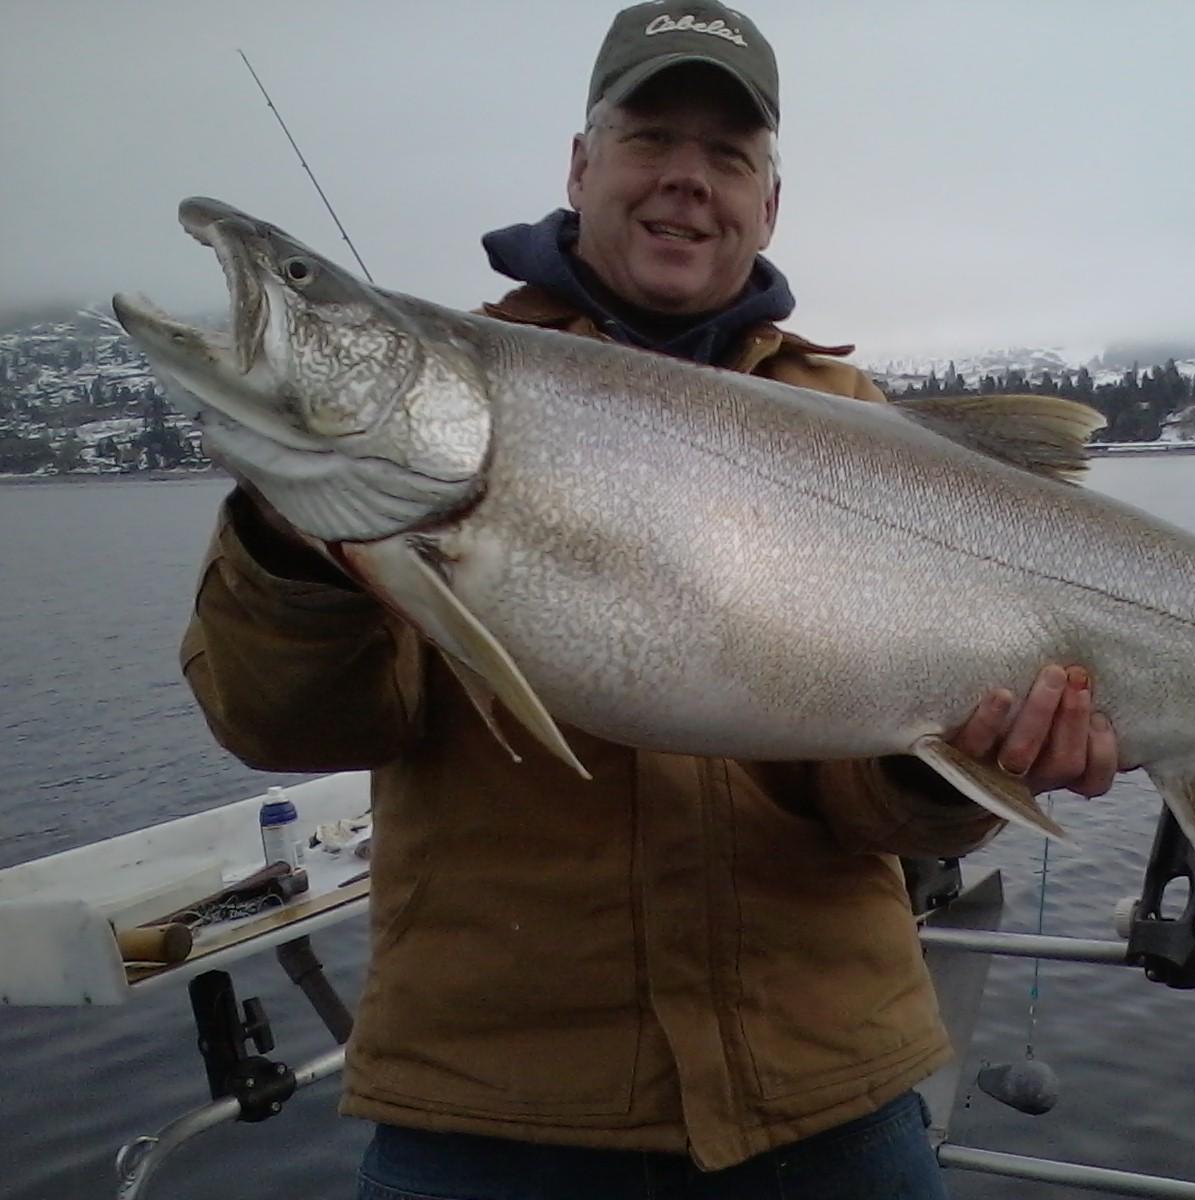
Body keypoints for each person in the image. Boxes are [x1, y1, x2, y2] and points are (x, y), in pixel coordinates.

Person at [180, 3, 1119, 1197]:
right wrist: (300, 539)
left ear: (767, 203)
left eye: (727, 153)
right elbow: (286, 725)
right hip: (494, 1113)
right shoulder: (445, 406)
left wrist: (960, 765)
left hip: (825, 1099)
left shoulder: (859, 425)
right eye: (650, 137)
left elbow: (877, 814)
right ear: (581, 166)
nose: (686, 177)